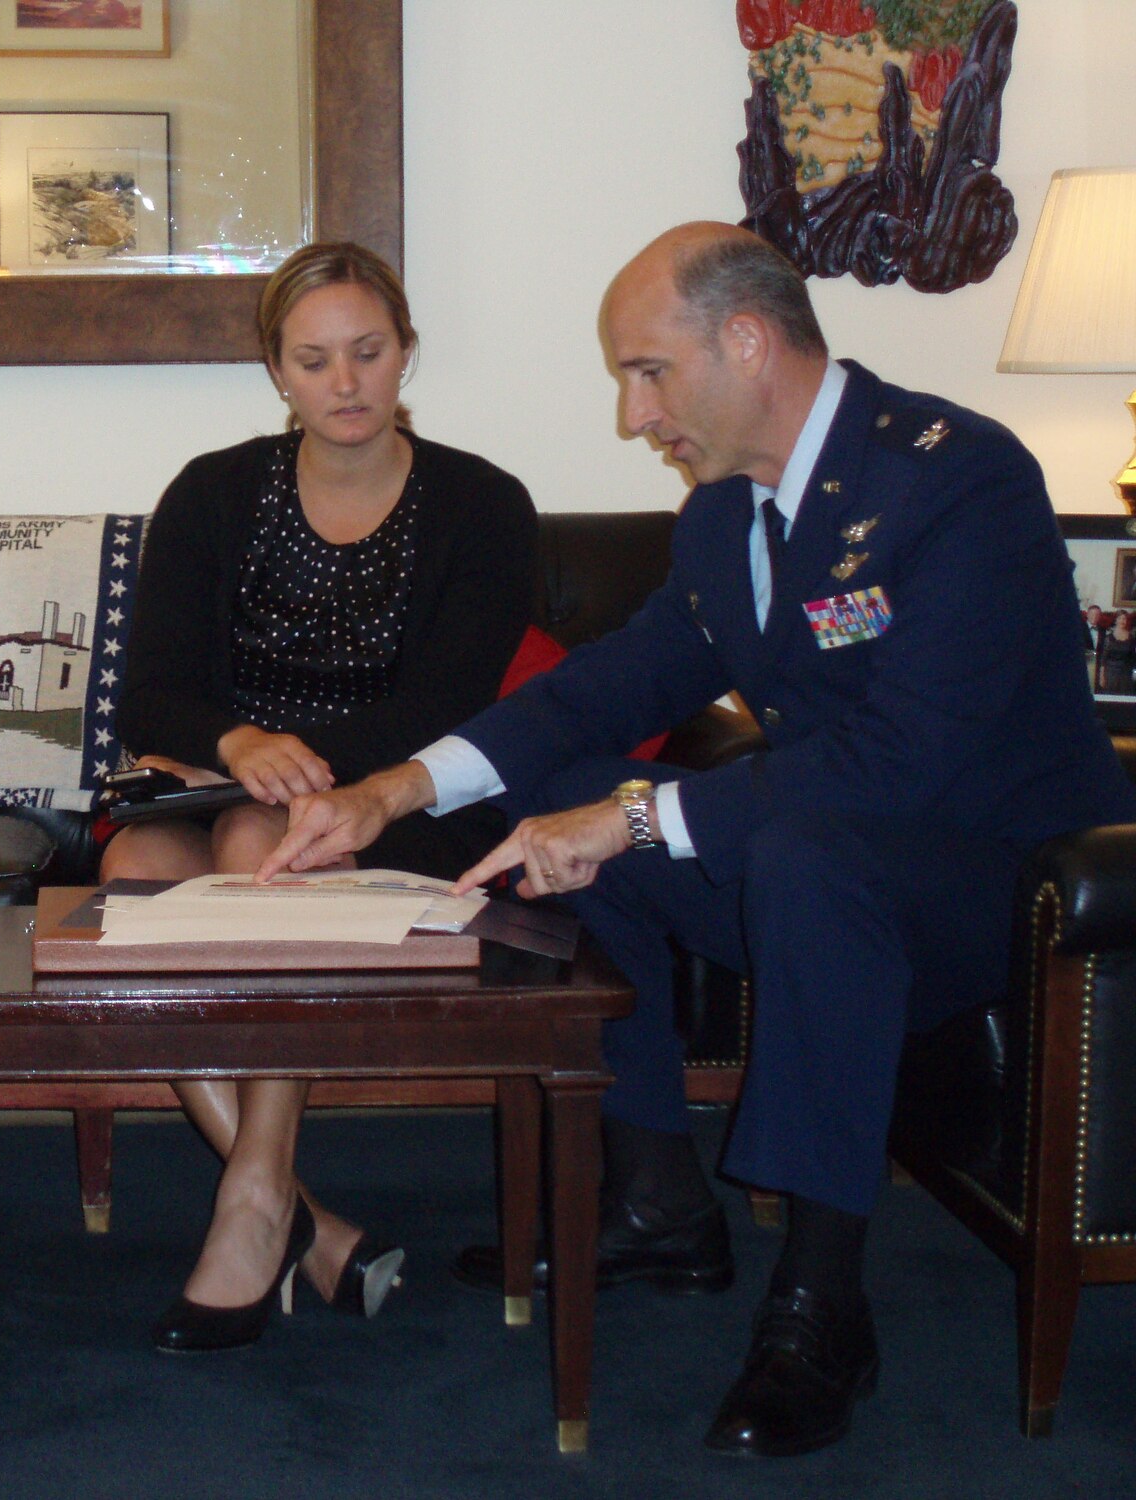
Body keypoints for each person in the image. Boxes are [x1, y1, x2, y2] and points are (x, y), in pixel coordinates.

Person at [259, 223, 1136, 1454]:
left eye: (646, 373)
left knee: (768, 848)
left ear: (745, 341)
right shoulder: (726, 515)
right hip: (823, 864)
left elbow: (901, 761)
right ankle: (656, 1200)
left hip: (1005, 887)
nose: (632, 416)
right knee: (572, 787)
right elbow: (606, 687)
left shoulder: (956, 477)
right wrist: (391, 793)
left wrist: (631, 819)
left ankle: (819, 1310)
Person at [109, 241, 537, 1350]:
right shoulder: (212, 491)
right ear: (277, 373)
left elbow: (450, 703)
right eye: (313, 361)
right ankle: (298, 1218)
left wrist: (291, 769)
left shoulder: (483, 503)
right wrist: (238, 741)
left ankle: (252, 1206)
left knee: (264, 841)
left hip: (402, 808)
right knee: (132, 871)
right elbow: (147, 693)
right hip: (220, 786)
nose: (344, 383)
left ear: (406, 353)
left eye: (367, 351)